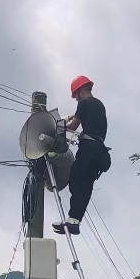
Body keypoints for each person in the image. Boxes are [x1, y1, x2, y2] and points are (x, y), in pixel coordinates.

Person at [52, 75, 111, 236]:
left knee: (76, 180)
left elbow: (74, 125)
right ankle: (74, 221)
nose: (76, 99)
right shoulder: (99, 105)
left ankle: (72, 220)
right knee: (85, 186)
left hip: (89, 149)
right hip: (99, 152)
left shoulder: (84, 103)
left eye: (76, 95)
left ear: (80, 91)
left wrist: (57, 128)